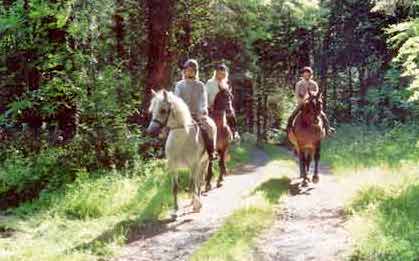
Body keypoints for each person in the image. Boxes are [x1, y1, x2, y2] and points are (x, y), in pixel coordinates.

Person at [174, 59, 217, 160]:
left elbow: (204, 100)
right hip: (183, 116)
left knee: (208, 128)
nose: (190, 72)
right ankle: (169, 153)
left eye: (192, 70)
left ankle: (211, 152)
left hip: (197, 115)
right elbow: (177, 99)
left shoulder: (200, 85)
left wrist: (203, 109)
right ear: (184, 71)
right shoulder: (179, 85)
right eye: (188, 70)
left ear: (196, 72)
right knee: (169, 127)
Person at [286, 66, 334, 136]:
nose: (307, 75)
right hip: (302, 103)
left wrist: (315, 100)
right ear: (302, 75)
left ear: (311, 75)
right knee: (293, 114)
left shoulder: (314, 84)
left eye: (308, 74)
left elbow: (317, 94)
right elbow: (297, 94)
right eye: (305, 74)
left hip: (313, 103)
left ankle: (328, 129)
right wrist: (302, 101)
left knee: (323, 115)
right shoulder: (299, 84)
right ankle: (288, 129)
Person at [205, 63, 239, 140]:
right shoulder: (210, 83)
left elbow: (228, 98)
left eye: (222, 73)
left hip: (224, 108)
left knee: (231, 113)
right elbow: (205, 96)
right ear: (216, 73)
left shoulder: (226, 85)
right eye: (219, 73)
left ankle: (235, 132)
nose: (220, 75)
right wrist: (208, 106)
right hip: (211, 107)